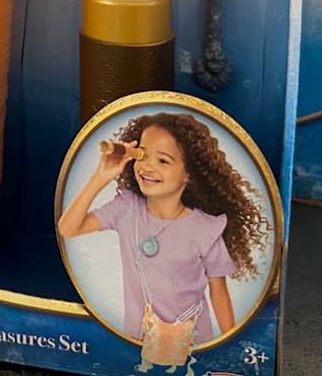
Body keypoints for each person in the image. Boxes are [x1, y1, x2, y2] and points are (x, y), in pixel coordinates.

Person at [58, 112, 269, 349]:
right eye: (143, 155)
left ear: (189, 174)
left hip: (192, 345)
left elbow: (218, 293)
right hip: (138, 343)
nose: (147, 167)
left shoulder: (206, 229)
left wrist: (229, 346)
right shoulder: (126, 208)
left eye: (163, 161)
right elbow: (68, 228)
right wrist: (100, 177)